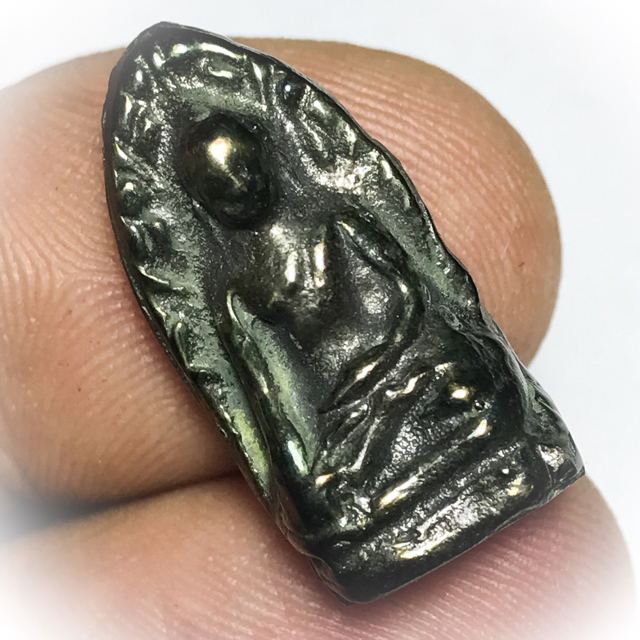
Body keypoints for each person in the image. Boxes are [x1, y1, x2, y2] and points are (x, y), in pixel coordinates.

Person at [0, 39, 633, 639]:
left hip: (407, 365)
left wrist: (396, 360)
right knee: (315, 506)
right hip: (343, 413)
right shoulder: (238, 293)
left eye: (243, 169)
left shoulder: (336, 220)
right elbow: (269, 397)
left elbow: (417, 294)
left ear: (265, 164)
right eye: (220, 185)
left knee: (474, 381)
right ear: (208, 204)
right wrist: (301, 473)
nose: (239, 187)